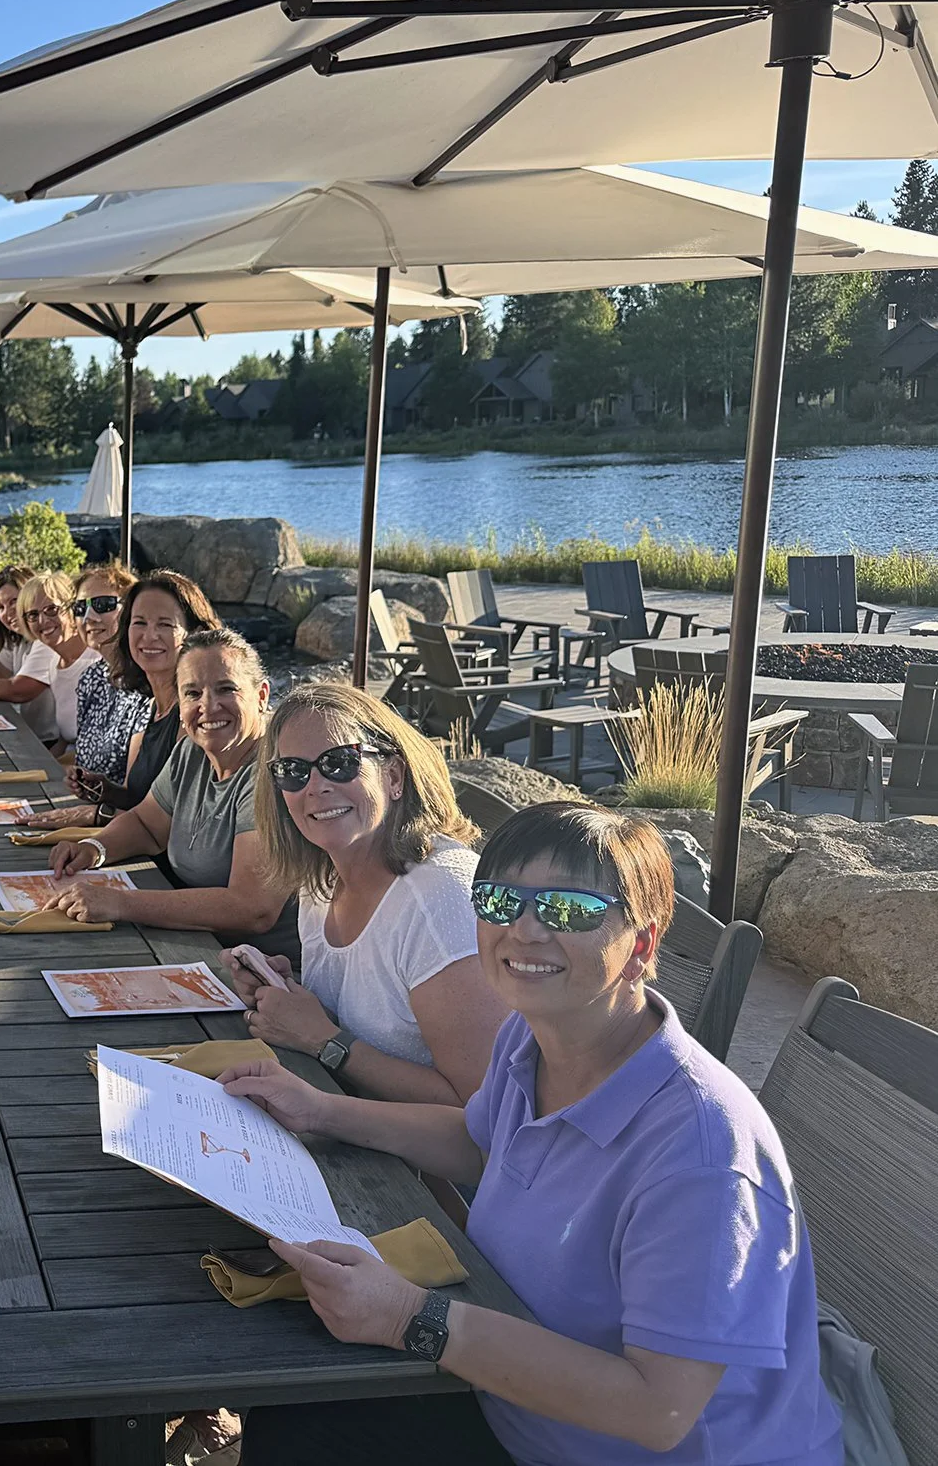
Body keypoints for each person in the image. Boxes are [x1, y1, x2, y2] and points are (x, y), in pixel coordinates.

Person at [224, 802, 841, 1466]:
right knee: (294, 1402)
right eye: (497, 901)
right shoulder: (534, 1033)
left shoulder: (702, 1152)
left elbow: (657, 1409)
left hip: (634, 1450)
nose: (522, 931)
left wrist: (414, 1317)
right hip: (518, 1404)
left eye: (568, 910)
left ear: (641, 947)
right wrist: (318, 1110)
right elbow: (478, 1141)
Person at [236, 682, 508, 1105]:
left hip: (416, 1169)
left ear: (394, 775)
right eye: (293, 770)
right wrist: (290, 1001)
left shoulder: (443, 900)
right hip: (344, 1130)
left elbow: (480, 1109)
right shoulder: (322, 878)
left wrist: (323, 1040)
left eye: (340, 762)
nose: (316, 785)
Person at [48, 627, 299, 958]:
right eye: (192, 693)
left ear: (262, 695)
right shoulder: (191, 752)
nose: (208, 707)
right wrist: (94, 848)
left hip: (270, 972)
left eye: (226, 689)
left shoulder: (271, 773)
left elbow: (252, 909)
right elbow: (147, 826)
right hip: (200, 947)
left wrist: (120, 902)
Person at [17, 571, 217, 832]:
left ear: (194, 633)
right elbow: (138, 795)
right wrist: (106, 791)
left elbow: (174, 822)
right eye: (140, 623)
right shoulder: (150, 702)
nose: (149, 635)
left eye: (165, 624)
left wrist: (99, 815)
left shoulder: (194, 714)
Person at [0, 570, 101, 750]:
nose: (43, 620)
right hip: (49, 749)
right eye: (33, 615)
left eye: (52, 610)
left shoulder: (86, 660)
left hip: (51, 747)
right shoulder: (46, 655)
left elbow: (19, 690)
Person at [61, 561, 149, 799]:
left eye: (102, 605)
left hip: (119, 821)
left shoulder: (148, 684)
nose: (88, 617)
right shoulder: (92, 678)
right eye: (80, 608)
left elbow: (133, 794)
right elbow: (84, 762)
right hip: (86, 807)